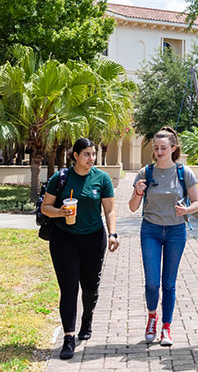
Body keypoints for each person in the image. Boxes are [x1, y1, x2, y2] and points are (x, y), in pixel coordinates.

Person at [41, 137, 120, 360]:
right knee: (68, 288)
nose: (91, 159)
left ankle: (87, 318)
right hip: (63, 239)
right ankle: (68, 337)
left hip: (94, 239)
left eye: (93, 154)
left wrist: (112, 233)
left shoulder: (101, 178)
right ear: (75, 155)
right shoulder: (61, 178)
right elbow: (46, 207)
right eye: (86, 154)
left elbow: (110, 210)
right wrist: (60, 213)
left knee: (90, 288)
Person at [129, 126, 198, 347]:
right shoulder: (145, 173)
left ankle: (166, 328)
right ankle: (152, 317)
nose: (159, 152)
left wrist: (187, 210)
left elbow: (197, 202)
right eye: (156, 148)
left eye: (163, 148)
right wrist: (138, 192)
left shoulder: (184, 172)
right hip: (150, 230)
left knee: (168, 283)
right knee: (152, 282)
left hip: (176, 231)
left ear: (173, 148)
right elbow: (132, 207)